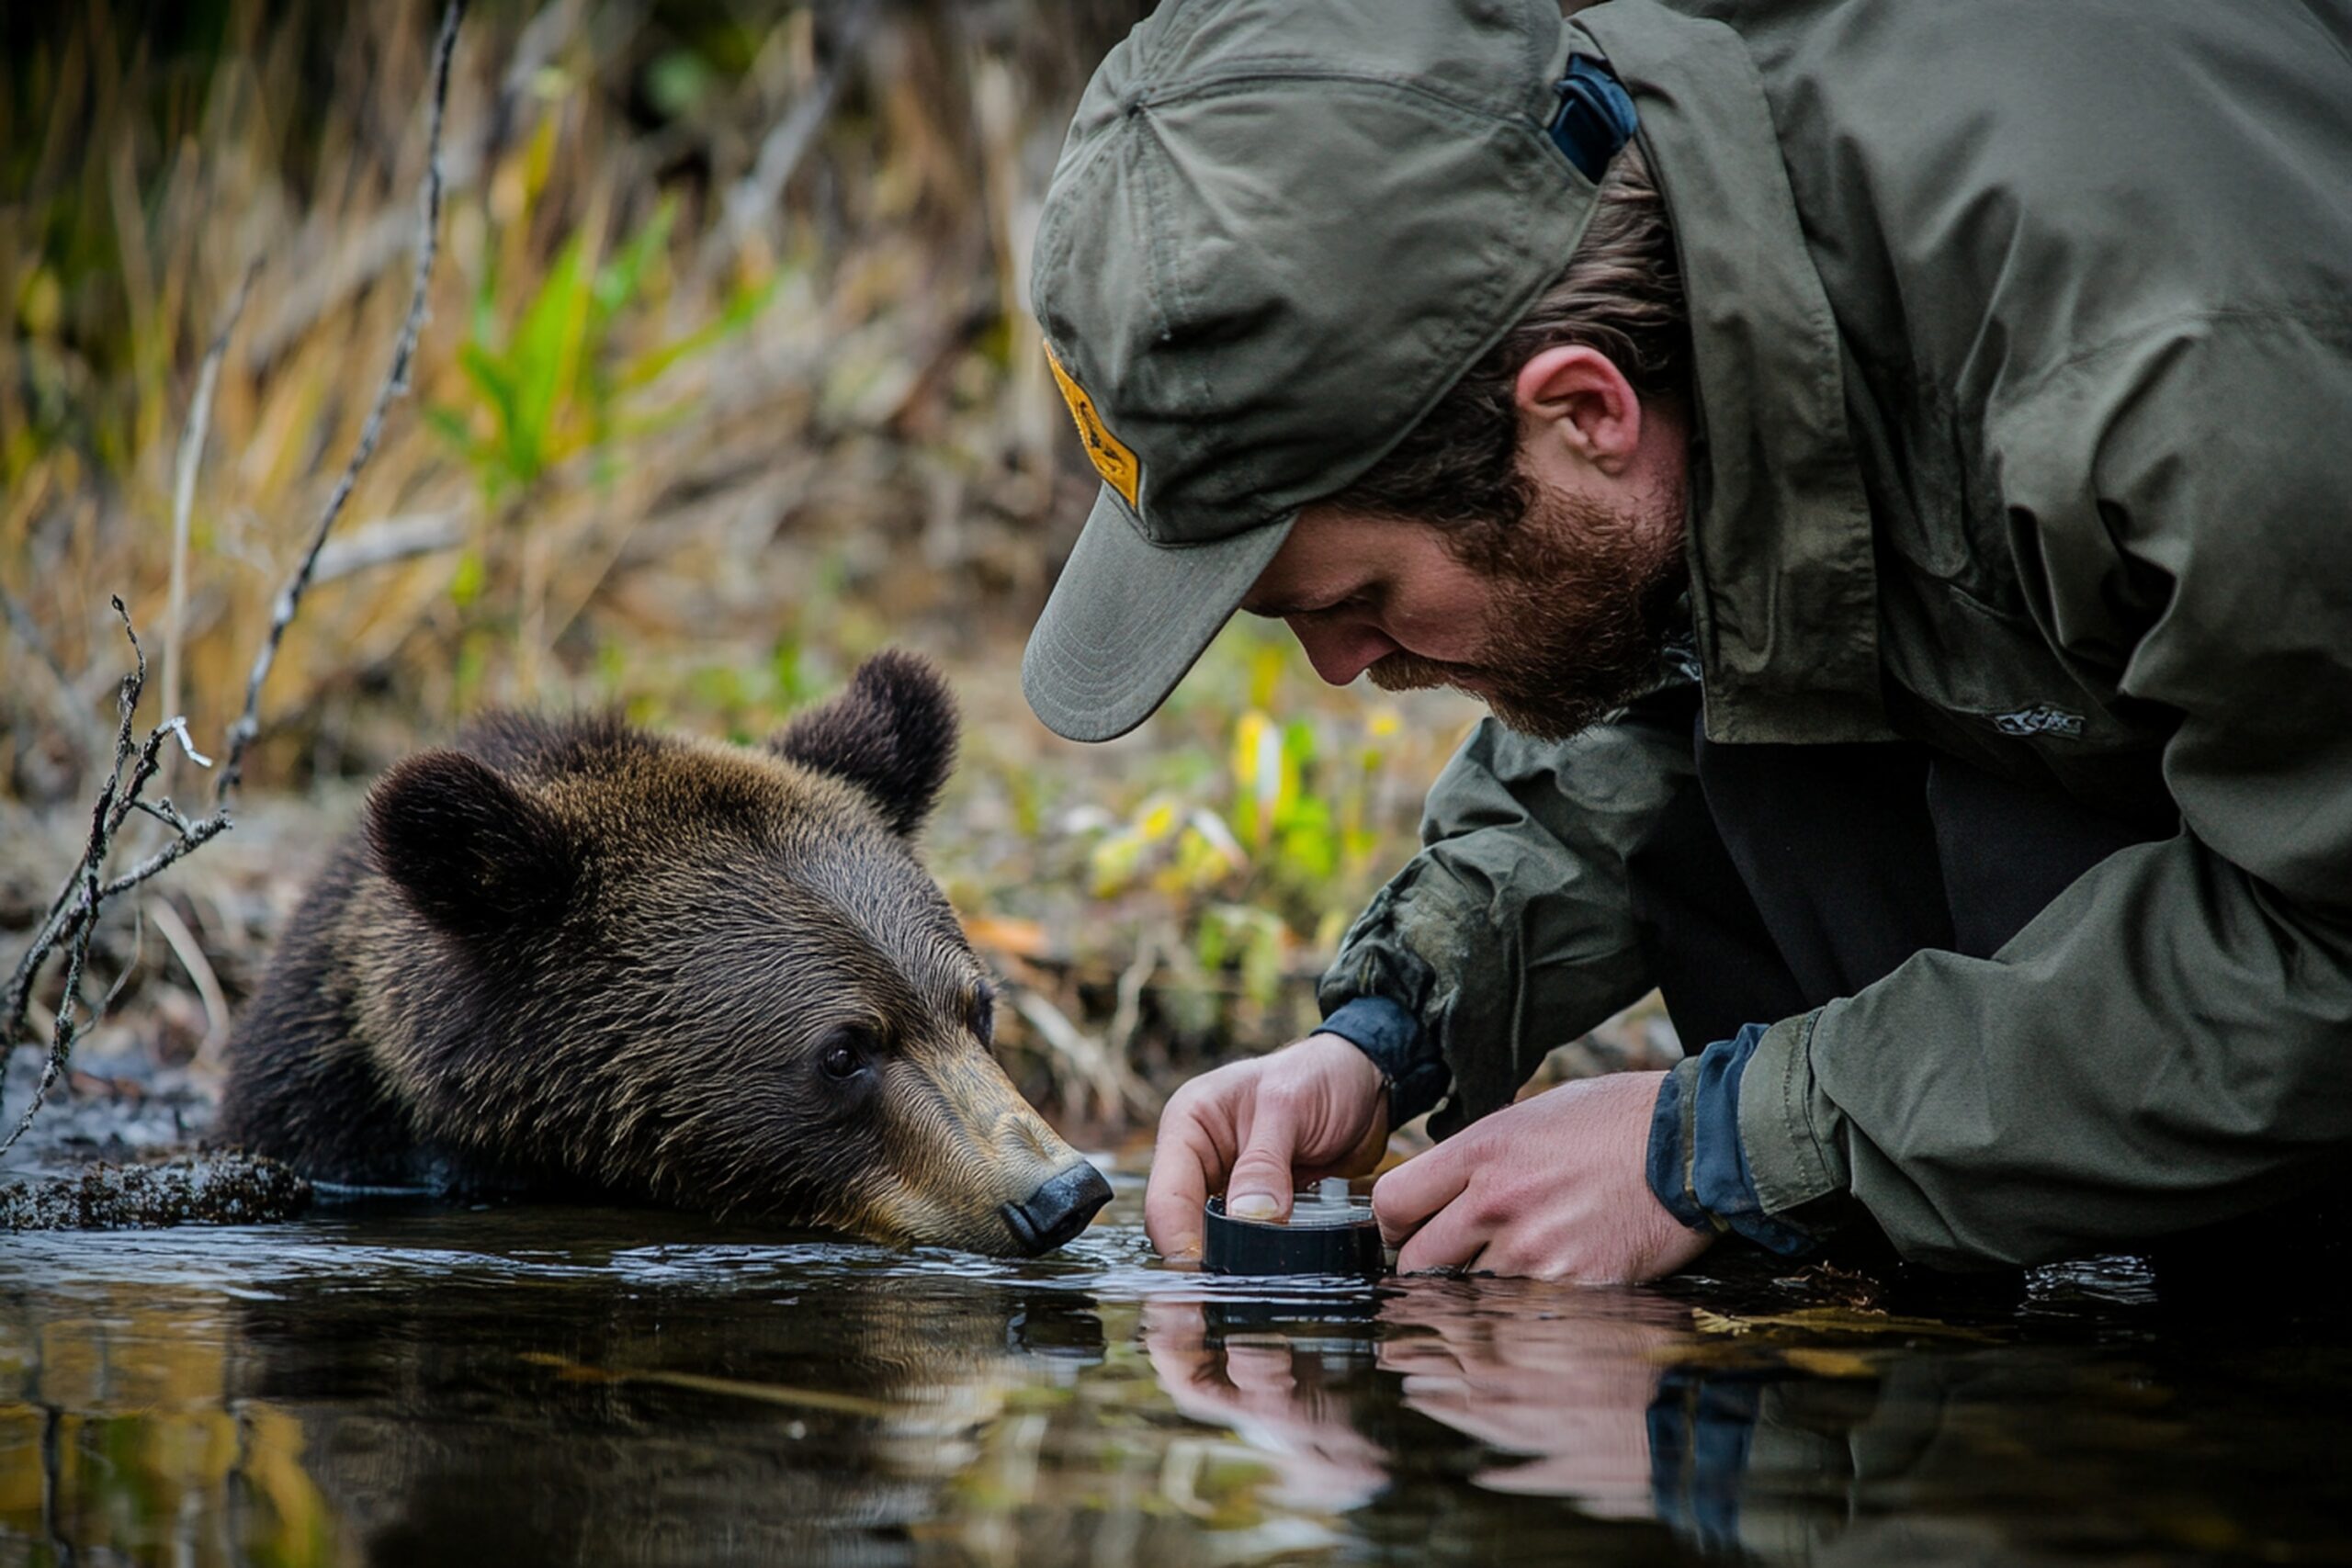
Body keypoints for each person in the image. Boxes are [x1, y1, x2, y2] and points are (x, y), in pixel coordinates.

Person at [1019, 0, 2352, 1280]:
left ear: (1583, 411)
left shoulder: (2188, 392)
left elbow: (2328, 942)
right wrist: (1391, 1028)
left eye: (1353, 597)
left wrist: (1719, 1148)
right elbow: (1696, 633)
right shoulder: (1667, 193)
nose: (1342, 664)